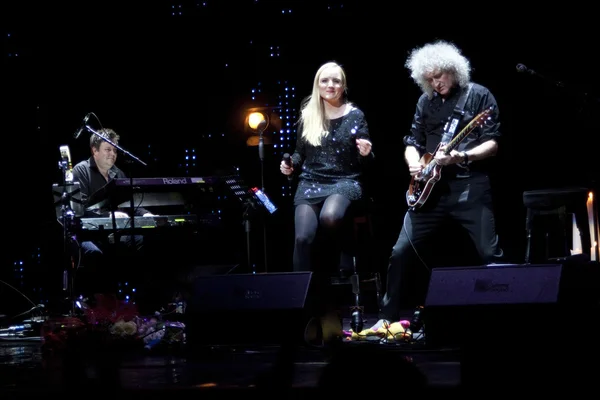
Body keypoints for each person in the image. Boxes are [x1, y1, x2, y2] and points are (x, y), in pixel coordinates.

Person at [371, 40, 503, 330]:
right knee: (399, 252)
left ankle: (503, 318)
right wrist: (413, 162)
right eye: (428, 79)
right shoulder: (425, 101)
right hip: (429, 191)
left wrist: (462, 156)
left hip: (470, 186)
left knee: (489, 254)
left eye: (439, 76)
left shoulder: (479, 96)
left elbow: (493, 144)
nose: (435, 83)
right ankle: (387, 317)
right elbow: (412, 141)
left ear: (454, 70)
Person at [279, 61, 374, 286]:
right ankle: (300, 294)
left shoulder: (355, 115)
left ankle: (348, 250)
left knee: (330, 217)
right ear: (317, 85)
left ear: (343, 86)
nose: (330, 85)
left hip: (345, 180)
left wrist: (366, 152)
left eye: (336, 81)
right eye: (325, 80)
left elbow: (367, 159)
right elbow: (300, 153)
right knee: (302, 238)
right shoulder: (308, 113)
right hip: (311, 182)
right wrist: (290, 164)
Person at [71, 128, 154, 298]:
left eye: (115, 150)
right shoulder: (81, 170)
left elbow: (129, 204)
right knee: (95, 254)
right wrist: (109, 217)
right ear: (95, 150)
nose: (113, 154)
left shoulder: (118, 173)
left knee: (143, 241)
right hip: (88, 235)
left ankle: (138, 298)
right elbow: (80, 209)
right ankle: (98, 302)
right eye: (108, 149)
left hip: (114, 232)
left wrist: (145, 214)